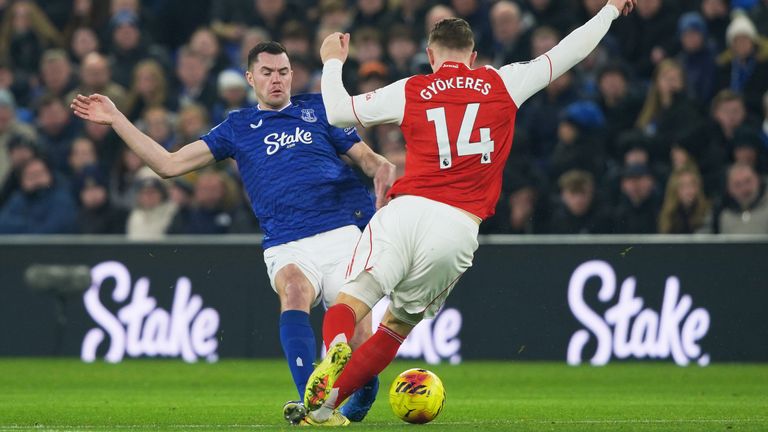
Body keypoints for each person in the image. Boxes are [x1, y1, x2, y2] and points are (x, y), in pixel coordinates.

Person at [301, 0, 636, 425]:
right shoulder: (503, 82)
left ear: (430, 54)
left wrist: (332, 60)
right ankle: (326, 407)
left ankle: (334, 348)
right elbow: (568, 52)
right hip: (457, 227)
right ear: (473, 56)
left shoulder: (411, 89)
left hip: (406, 211)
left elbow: (337, 112)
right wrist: (609, 10)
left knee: (351, 302)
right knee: (395, 327)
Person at [70, 41, 396, 424]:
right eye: (267, 72)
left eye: (283, 72)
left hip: (343, 231)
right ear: (250, 78)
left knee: (358, 344)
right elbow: (168, 165)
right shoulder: (238, 127)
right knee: (293, 290)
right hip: (287, 241)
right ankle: (311, 404)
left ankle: (363, 389)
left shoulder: (319, 109)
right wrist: (117, 119)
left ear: (292, 75)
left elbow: (370, 160)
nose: (276, 80)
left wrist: (382, 173)